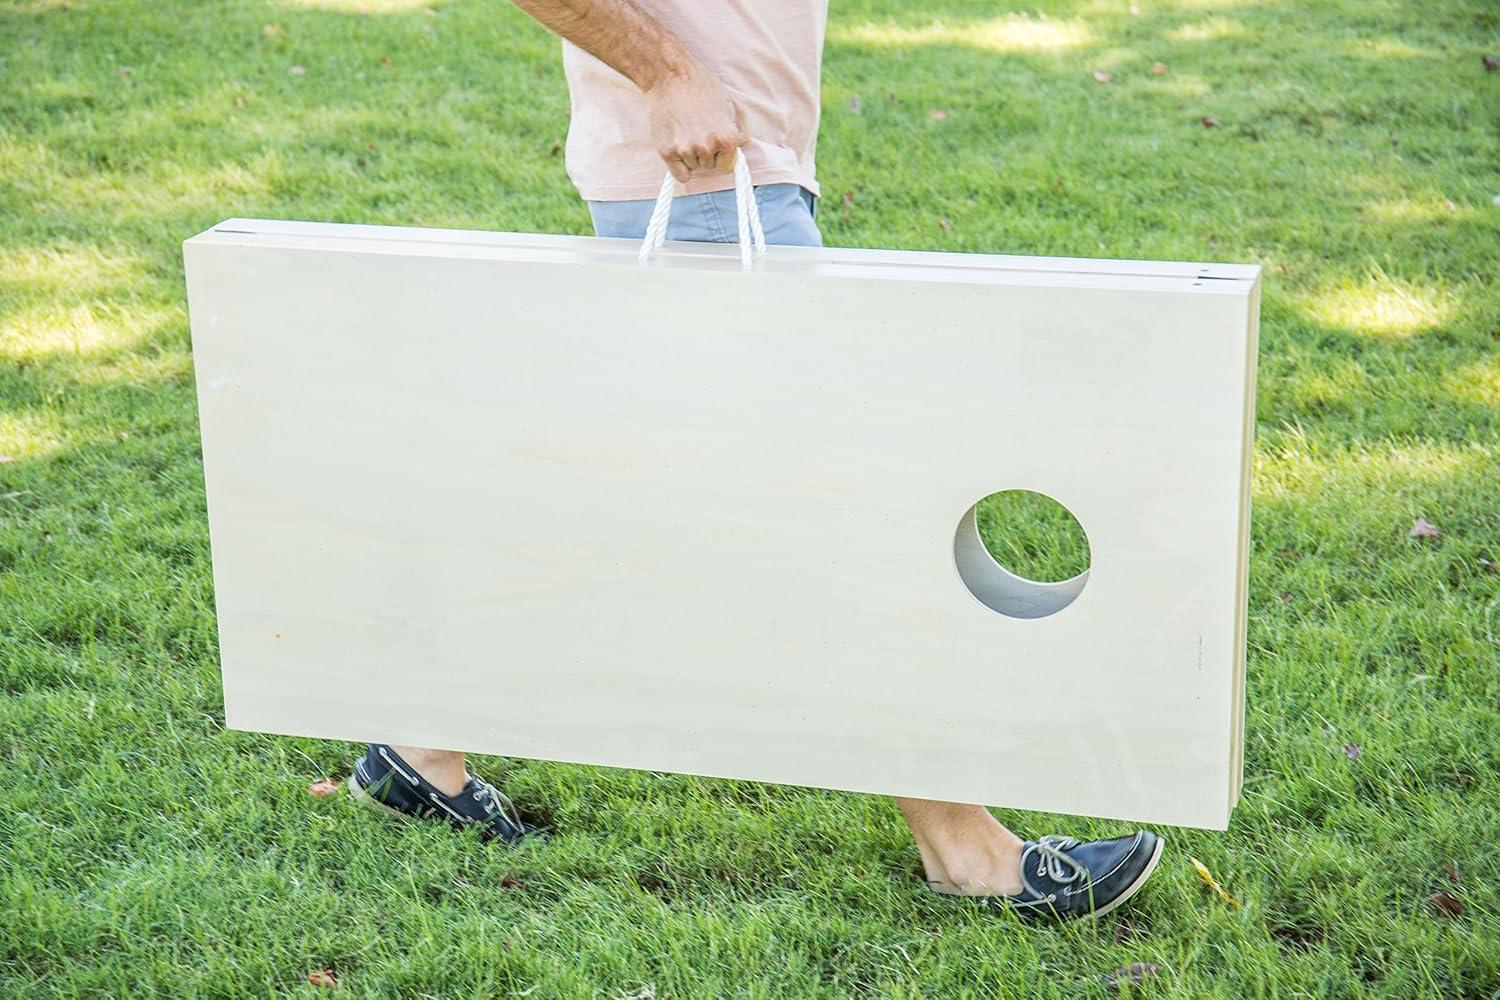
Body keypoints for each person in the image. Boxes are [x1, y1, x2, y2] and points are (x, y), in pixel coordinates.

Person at [345, 0, 1165, 923]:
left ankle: (421, 751)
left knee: (648, 509)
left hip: (735, 166)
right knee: (835, 523)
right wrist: (668, 74)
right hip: (707, 177)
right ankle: (967, 851)